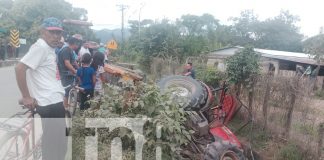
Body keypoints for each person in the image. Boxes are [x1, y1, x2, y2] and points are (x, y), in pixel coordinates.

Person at [15, 17, 67, 160]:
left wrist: (58, 41)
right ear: (43, 32)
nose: (56, 36)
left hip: (52, 100)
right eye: (52, 32)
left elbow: (59, 42)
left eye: (59, 33)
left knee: (55, 143)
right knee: (56, 148)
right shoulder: (41, 47)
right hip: (51, 103)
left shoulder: (49, 47)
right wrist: (26, 96)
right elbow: (19, 68)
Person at [57, 35, 82, 108]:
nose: (78, 46)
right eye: (77, 44)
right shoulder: (66, 50)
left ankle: (67, 106)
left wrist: (79, 69)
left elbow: (74, 62)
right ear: (73, 43)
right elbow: (67, 63)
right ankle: (65, 108)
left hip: (69, 74)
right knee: (67, 92)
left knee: (70, 90)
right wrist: (75, 71)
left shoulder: (70, 50)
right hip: (65, 74)